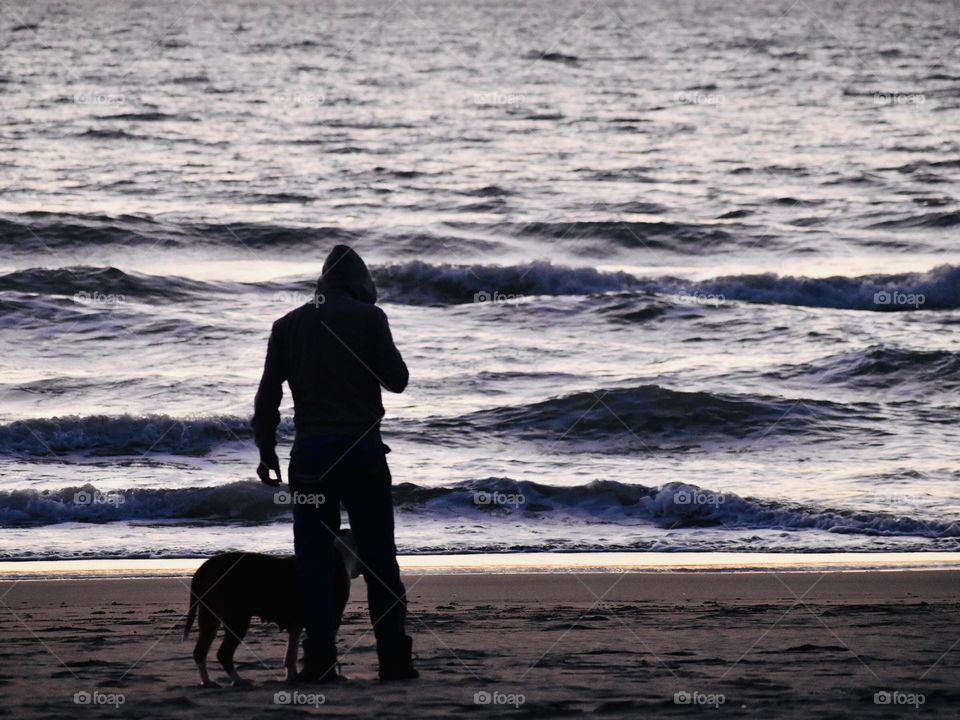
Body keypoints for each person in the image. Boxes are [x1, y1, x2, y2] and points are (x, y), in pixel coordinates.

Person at [252, 244, 417, 683]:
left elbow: (269, 395)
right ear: (362, 284)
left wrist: (265, 449)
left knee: (313, 561)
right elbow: (397, 381)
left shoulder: (287, 325)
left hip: (309, 458)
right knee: (381, 560)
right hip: (362, 453)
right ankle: (394, 662)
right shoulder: (370, 318)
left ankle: (320, 660)